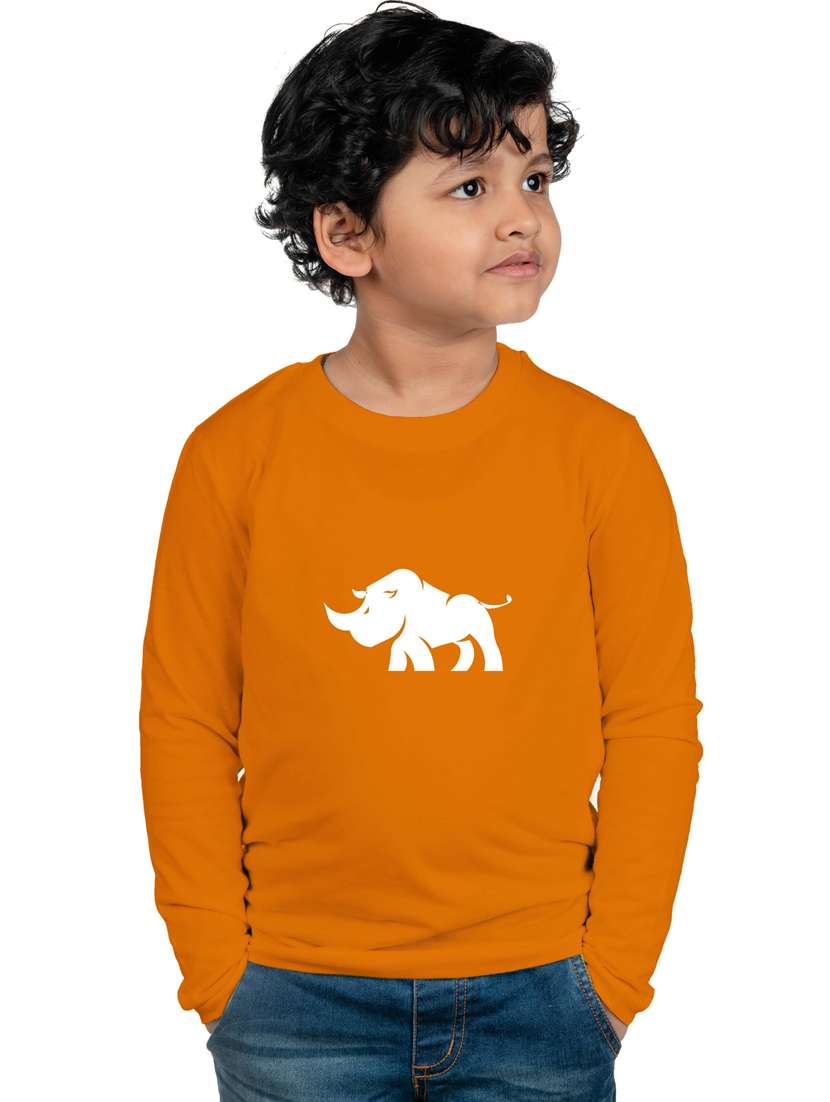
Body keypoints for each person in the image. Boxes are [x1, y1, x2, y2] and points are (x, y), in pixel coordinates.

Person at [139, 4, 703, 1099]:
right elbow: (186, 722)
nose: (522, 217)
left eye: (534, 178)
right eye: (469, 188)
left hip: (542, 987)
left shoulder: (601, 452)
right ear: (348, 234)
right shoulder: (233, 456)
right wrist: (218, 970)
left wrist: (613, 975)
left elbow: (651, 722)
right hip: (292, 993)